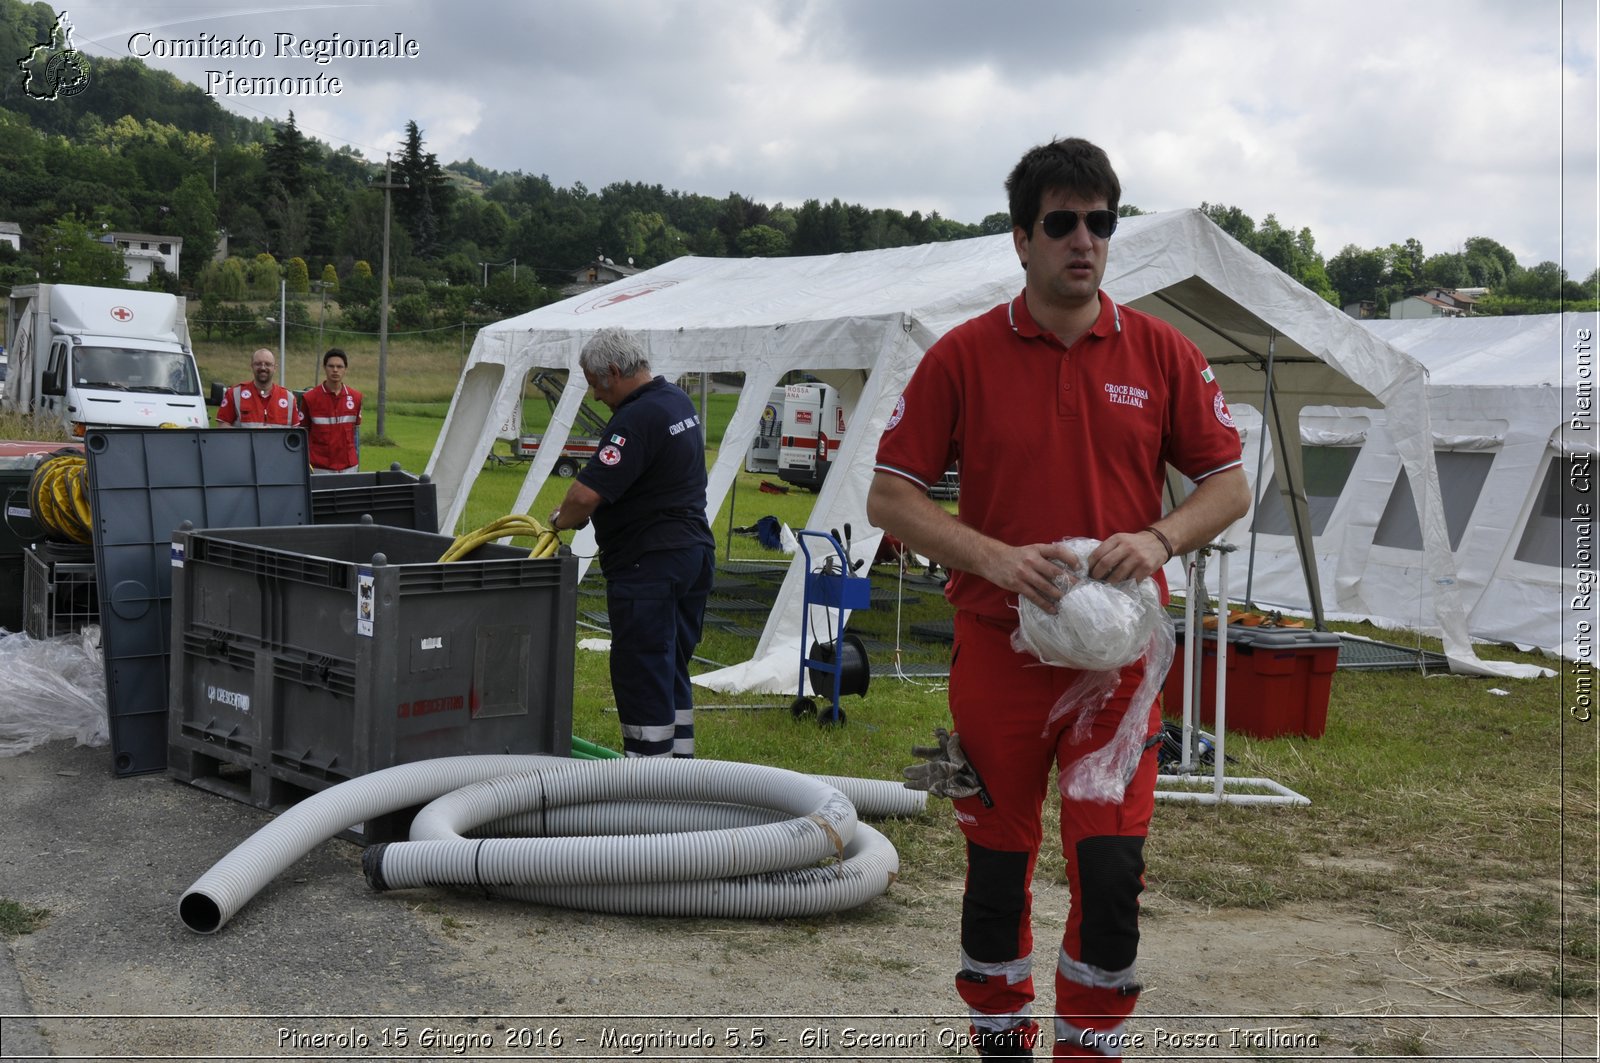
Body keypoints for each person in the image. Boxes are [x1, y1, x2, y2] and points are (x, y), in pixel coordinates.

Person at [867, 137, 1250, 1060]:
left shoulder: (1162, 352)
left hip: (1117, 668)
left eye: (1102, 222)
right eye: (1063, 222)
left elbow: (1229, 483)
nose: (1085, 240)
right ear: (1022, 240)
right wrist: (995, 559)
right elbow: (889, 496)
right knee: (997, 870)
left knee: (1110, 872)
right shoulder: (962, 356)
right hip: (999, 654)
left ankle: (1089, 1047)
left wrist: (1159, 536)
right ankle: (1000, 1040)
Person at [548, 327, 716, 758]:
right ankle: (679, 767)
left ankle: (645, 778)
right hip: (692, 555)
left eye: (593, 383)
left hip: (649, 565)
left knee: (642, 668)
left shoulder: (636, 418)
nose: (594, 395)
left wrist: (558, 521)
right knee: (669, 665)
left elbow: (585, 495)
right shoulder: (676, 400)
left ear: (614, 371)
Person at [300, 348, 363, 472]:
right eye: (331, 366)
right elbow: (303, 433)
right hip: (320, 467)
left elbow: (355, 434)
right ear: (324, 367)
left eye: (339, 366)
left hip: (349, 467)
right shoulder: (310, 398)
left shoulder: (356, 397)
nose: (335, 370)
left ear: (345, 369)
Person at [216, 349, 303, 429]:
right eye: (258, 364)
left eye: (268, 364)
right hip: (243, 446)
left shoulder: (289, 398)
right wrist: (253, 434)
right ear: (252, 366)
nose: (263, 368)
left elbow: (295, 433)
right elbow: (222, 426)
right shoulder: (234, 394)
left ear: (275, 368)